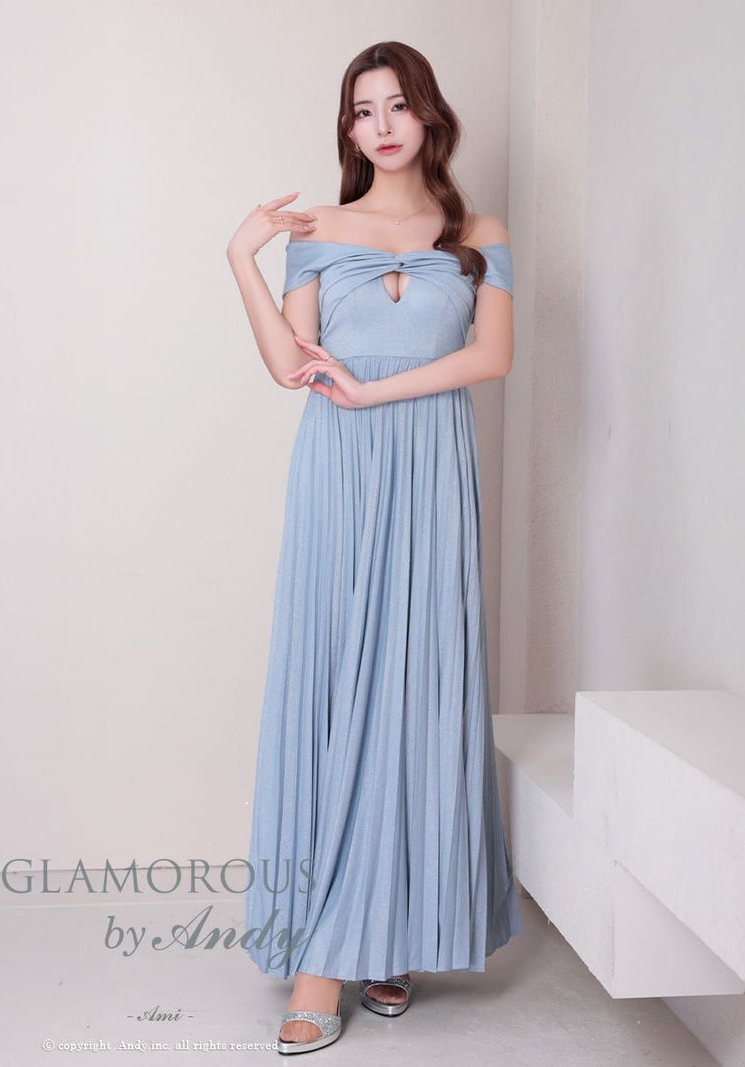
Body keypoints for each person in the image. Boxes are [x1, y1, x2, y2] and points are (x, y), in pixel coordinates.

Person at [226, 40, 523, 1055]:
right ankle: (326, 953)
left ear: (428, 114)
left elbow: (491, 355)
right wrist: (241, 257)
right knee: (337, 688)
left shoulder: (477, 232)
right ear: (348, 129)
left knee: (412, 692)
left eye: (398, 104)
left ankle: (388, 928)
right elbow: (288, 365)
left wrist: (371, 389)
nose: (382, 124)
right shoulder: (317, 229)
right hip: (340, 477)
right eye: (363, 110)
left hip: (429, 472)